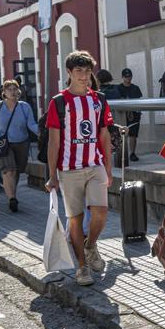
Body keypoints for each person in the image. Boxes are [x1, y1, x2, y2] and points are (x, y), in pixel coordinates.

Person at [45, 51, 114, 287]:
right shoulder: (59, 102)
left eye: (87, 71)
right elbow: (53, 141)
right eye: (79, 72)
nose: (84, 76)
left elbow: (104, 135)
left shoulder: (99, 99)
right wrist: (52, 174)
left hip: (95, 165)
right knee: (75, 219)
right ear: (69, 73)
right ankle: (82, 267)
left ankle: (91, 244)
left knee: (101, 212)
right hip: (68, 169)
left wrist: (109, 167)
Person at [0, 79, 39, 213]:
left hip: (22, 143)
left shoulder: (24, 106)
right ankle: (12, 198)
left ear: (19, 91)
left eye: (14, 89)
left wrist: (41, 132)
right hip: (2, 143)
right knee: (9, 171)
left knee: (16, 171)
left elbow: (31, 124)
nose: (12, 92)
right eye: (9, 89)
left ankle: (12, 194)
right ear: (4, 92)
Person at [118, 68, 144, 162]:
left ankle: (132, 153)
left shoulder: (135, 88)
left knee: (133, 135)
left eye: (129, 76)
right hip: (122, 114)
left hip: (134, 113)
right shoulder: (118, 88)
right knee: (122, 134)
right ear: (122, 77)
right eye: (126, 77)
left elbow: (140, 100)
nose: (128, 78)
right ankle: (122, 154)